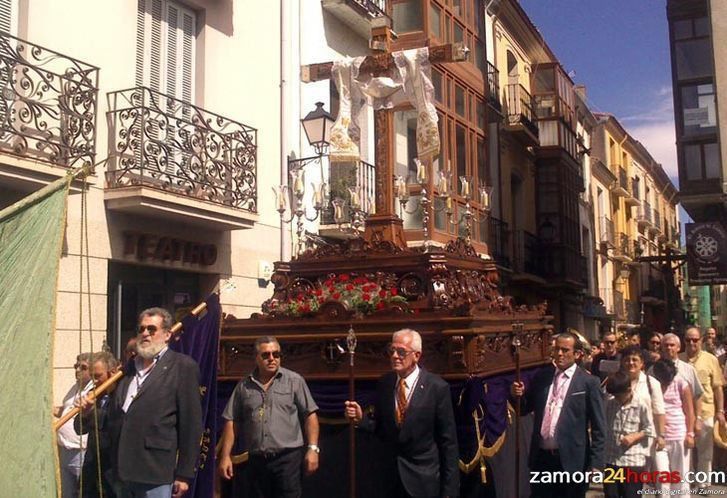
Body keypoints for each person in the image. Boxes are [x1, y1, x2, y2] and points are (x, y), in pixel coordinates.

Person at [345, 329, 459, 498]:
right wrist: (361, 419)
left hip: (423, 481)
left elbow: (448, 442)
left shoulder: (436, 388)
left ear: (417, 355)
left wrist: (449, 492)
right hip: (390, 480)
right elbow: (381, 429)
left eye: (401, 352)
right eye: (392, 350)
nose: (395, 356)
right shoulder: (385, 384)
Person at [107, 307, 203, 498]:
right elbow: (117, 415)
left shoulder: (182, 366)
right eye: (141, 329)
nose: (145, 334)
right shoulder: (127, 370)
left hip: (155, 471)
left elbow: (191, 424)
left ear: (167, 335)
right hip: (122, 472)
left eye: (151, 329)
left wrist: (184, 474)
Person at [218, 336, 320, 498]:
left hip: (288, 460)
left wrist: (313, 449)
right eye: (266, 355)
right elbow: (232, 421)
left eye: (276, 354)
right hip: (256, 462)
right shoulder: (244, 386)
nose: (272, 359)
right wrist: (225, 457)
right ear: (256, 358)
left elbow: (310, 415)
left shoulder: (294, 381)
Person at [511, 331, 606, 498]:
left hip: (572, 461)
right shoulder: (542, 377)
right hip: (542, 459)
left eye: (565, 350)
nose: (559, 354)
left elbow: (599, 426)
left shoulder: (589, 382)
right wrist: (516, 395)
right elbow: (524, 409)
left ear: (577, 354)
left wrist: (596, 463)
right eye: (556, 349)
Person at [680, 326, 725, 488]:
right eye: (688, 340)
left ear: (701, 340)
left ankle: (703, 483)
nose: (691, 343)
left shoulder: (711, 359)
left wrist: (720, 411)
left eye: (695, 340)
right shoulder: (678, 360)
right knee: (687, 450)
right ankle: (688, 481)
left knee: (706, 452)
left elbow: (718, 387)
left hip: (706, 411)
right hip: (683, 414)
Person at [75, 351, 121, 498]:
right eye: (92, 376)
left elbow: (114, 423)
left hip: (113, 468)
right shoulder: (94, 392)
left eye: (98, 376)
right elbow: (79, 429)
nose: (94, 381)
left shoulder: (122, 395)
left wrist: (94, 413)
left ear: (112, 372)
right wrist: (84, 413)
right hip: (92, 465)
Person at [603, 371, 654, 498]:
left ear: (628, 389)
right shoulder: (610, 403)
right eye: (615, 396)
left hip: (632, 461)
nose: (617, 399)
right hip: (612, 459)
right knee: (611, 494)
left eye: (619, 396)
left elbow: (650, 429)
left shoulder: (641, 405)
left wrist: (635, 436)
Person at [650, 359, 695, 496]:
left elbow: (689, 411)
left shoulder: (681, 383)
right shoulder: (650, 384)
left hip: (678, 434)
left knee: (680, 476)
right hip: (658, 437)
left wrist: (690, 434)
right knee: (662, 477)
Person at [55, 352, 94, 498]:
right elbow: (66, 411)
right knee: (66, 493)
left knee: (82, 492)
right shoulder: (75, 387)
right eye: (76, 366)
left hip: (80, 450)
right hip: (64, 448)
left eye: (82, 367)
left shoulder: (94, 389)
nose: (77, 370)